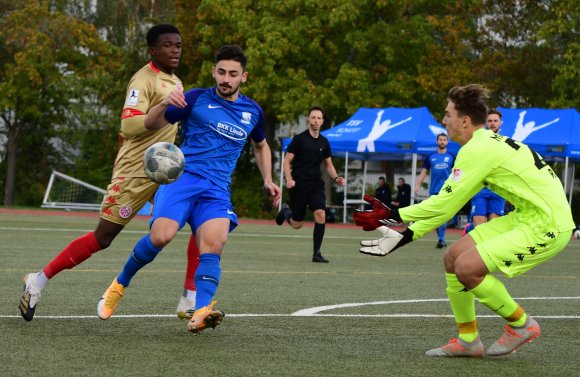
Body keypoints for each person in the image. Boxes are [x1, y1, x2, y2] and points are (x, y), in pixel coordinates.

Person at [353, 84, 574, 358]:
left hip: (548, 225)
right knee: (453, 257)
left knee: (467, 267)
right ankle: (469, 340)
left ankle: (521, 325)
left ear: (465, 121)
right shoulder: (482, 144)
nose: (444, 121)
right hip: (528, 217)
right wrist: (406, 235)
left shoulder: (477, 150)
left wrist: (392, 214)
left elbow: (444, 205)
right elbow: (449, 205)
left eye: (447, 114)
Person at [18, 24, 201, 322]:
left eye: (178, 44)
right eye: (168, 45)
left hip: (165, 173)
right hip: (135, 171)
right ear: (152, 50)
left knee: (199, 219)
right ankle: (38, 280)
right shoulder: (143, 80)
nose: (175, 49)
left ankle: (189, 297)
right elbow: (128, 126)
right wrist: (162, 107)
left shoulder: (176, 81)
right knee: (103, 238)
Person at [96, 44, 282, 334]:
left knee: (214, 244)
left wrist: (268, 178)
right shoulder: (194, 98)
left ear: (243, 77)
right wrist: (163, 103)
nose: (225, 79)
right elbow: (151, 122)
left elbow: (261, 146)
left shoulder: (252, 112)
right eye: (221, 72)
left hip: (216, 190)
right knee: (161, 237)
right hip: (183, 180)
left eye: (232, 74)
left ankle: (203, 310)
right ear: (213, 71)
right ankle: (119, 285)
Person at [275, 106, 345, 263]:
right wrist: (289, 178)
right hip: (299, 185)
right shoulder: (299, 139)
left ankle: (317, 253)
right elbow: (287, 161)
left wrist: (337, 178)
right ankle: (286, 211)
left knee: (320, 213)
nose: (315, 121)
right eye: (313, 117)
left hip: (315, 185)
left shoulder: (324, 142)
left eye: (318, 118)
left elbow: (329, 165)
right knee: (297, 224)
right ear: (308, 119)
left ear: (322, 121)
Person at [463, 108, 506, 234]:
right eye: (490, 121)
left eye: (495, 121)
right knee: (480, 229)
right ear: (486, 123)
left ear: (500, 123)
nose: (492, 123)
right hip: (480, 189)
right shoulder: (477, 141)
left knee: (493, 229)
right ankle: (470, 228)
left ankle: (470, 229)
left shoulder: (505, 143)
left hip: (498, 189)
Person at [414, 133, 455, 248]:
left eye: (444, 139)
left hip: (447, 190)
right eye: (440, 139)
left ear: (447, 142)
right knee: (436, 215)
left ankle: (441, 239)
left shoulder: (452, 156)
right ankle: (440, 238)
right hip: (434, 190)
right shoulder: (430, 156)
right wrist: (417, 184)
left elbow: (457, 173)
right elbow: (424, 172)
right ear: (437, 142)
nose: (442, 141)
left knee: (443, 214)